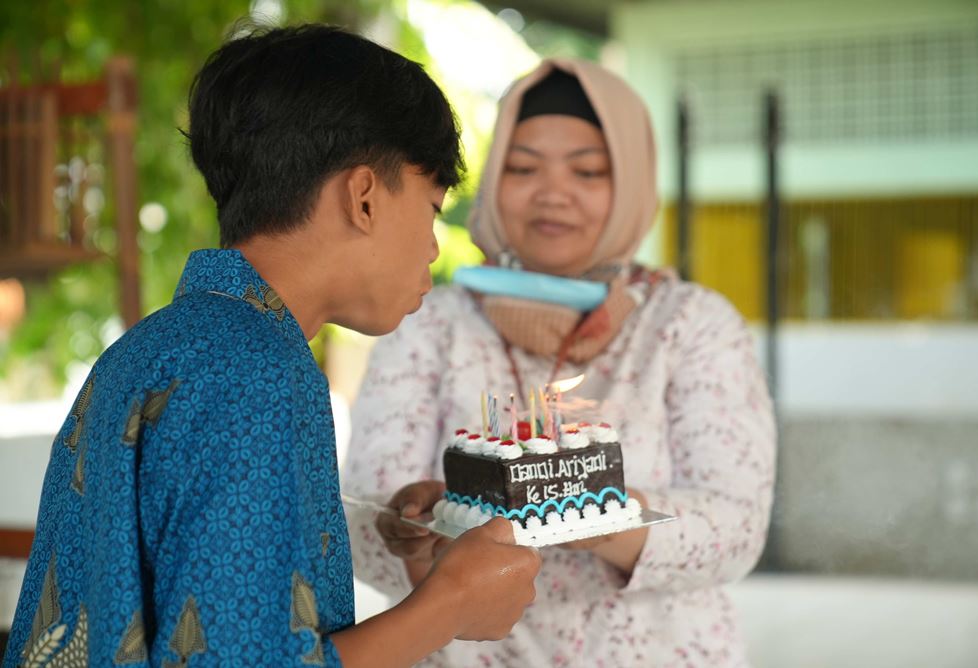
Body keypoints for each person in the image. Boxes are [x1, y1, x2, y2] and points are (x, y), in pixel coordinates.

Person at [2, 25, 541, 668]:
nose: (432, 247)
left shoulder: (149, 348)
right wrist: (449, 606)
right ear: (364, 198)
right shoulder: (256, 372)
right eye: (431, 208)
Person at [345, 59, 776, 667]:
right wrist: (413, 526)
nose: (553, 193)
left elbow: (736, 528)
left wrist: (582, 507)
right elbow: (362, 524)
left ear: (631, 183)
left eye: (588, 170)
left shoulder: (688, 324)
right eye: (523, 168)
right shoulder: (427, 321)